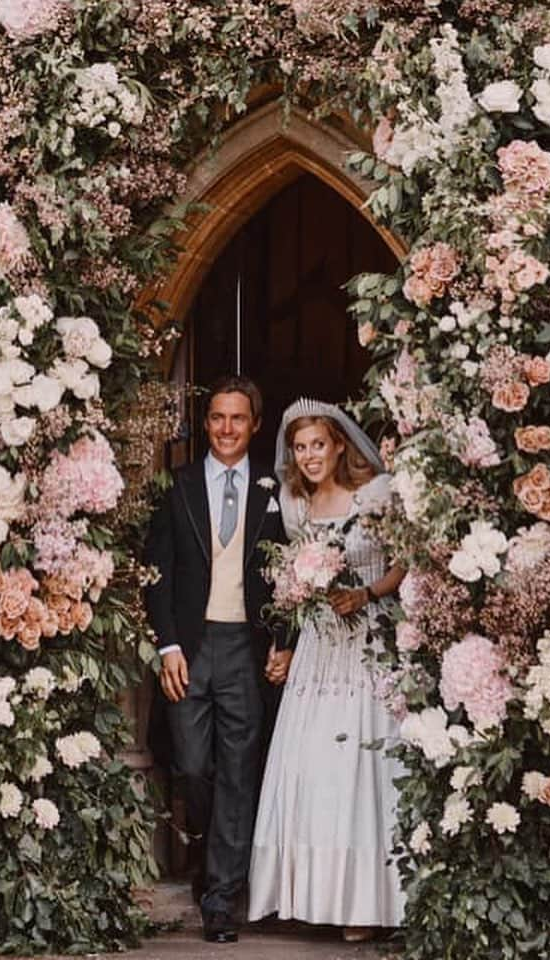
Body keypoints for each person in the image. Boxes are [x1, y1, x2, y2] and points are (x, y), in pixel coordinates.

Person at [247, 398, 407, 941]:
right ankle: (313, 895)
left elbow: (405, 561)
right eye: (300, 447)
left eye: (318, 444)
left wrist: (366, 592)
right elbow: (294, 589)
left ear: (340, 444)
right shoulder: (295, 504)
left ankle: (366, 903)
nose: (310, 456)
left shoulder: (376, 495)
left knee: (362, 770)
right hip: (318, 649)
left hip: (368, 640)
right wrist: (286, 643)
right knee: (313, 767)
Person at [144, 375, 291, 944]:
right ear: (206, 424)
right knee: (192, 767)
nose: (227, 429)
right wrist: (168, 645)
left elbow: (290, 577)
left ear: (255, 424)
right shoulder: (176, 486)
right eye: (217, 419)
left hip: (244, 649)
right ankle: (209, 863)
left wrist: (282, 639)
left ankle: (221, 898)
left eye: (238, 419)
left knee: (237, 773)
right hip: (190, 645)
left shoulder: (272, 491)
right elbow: (156, 573)